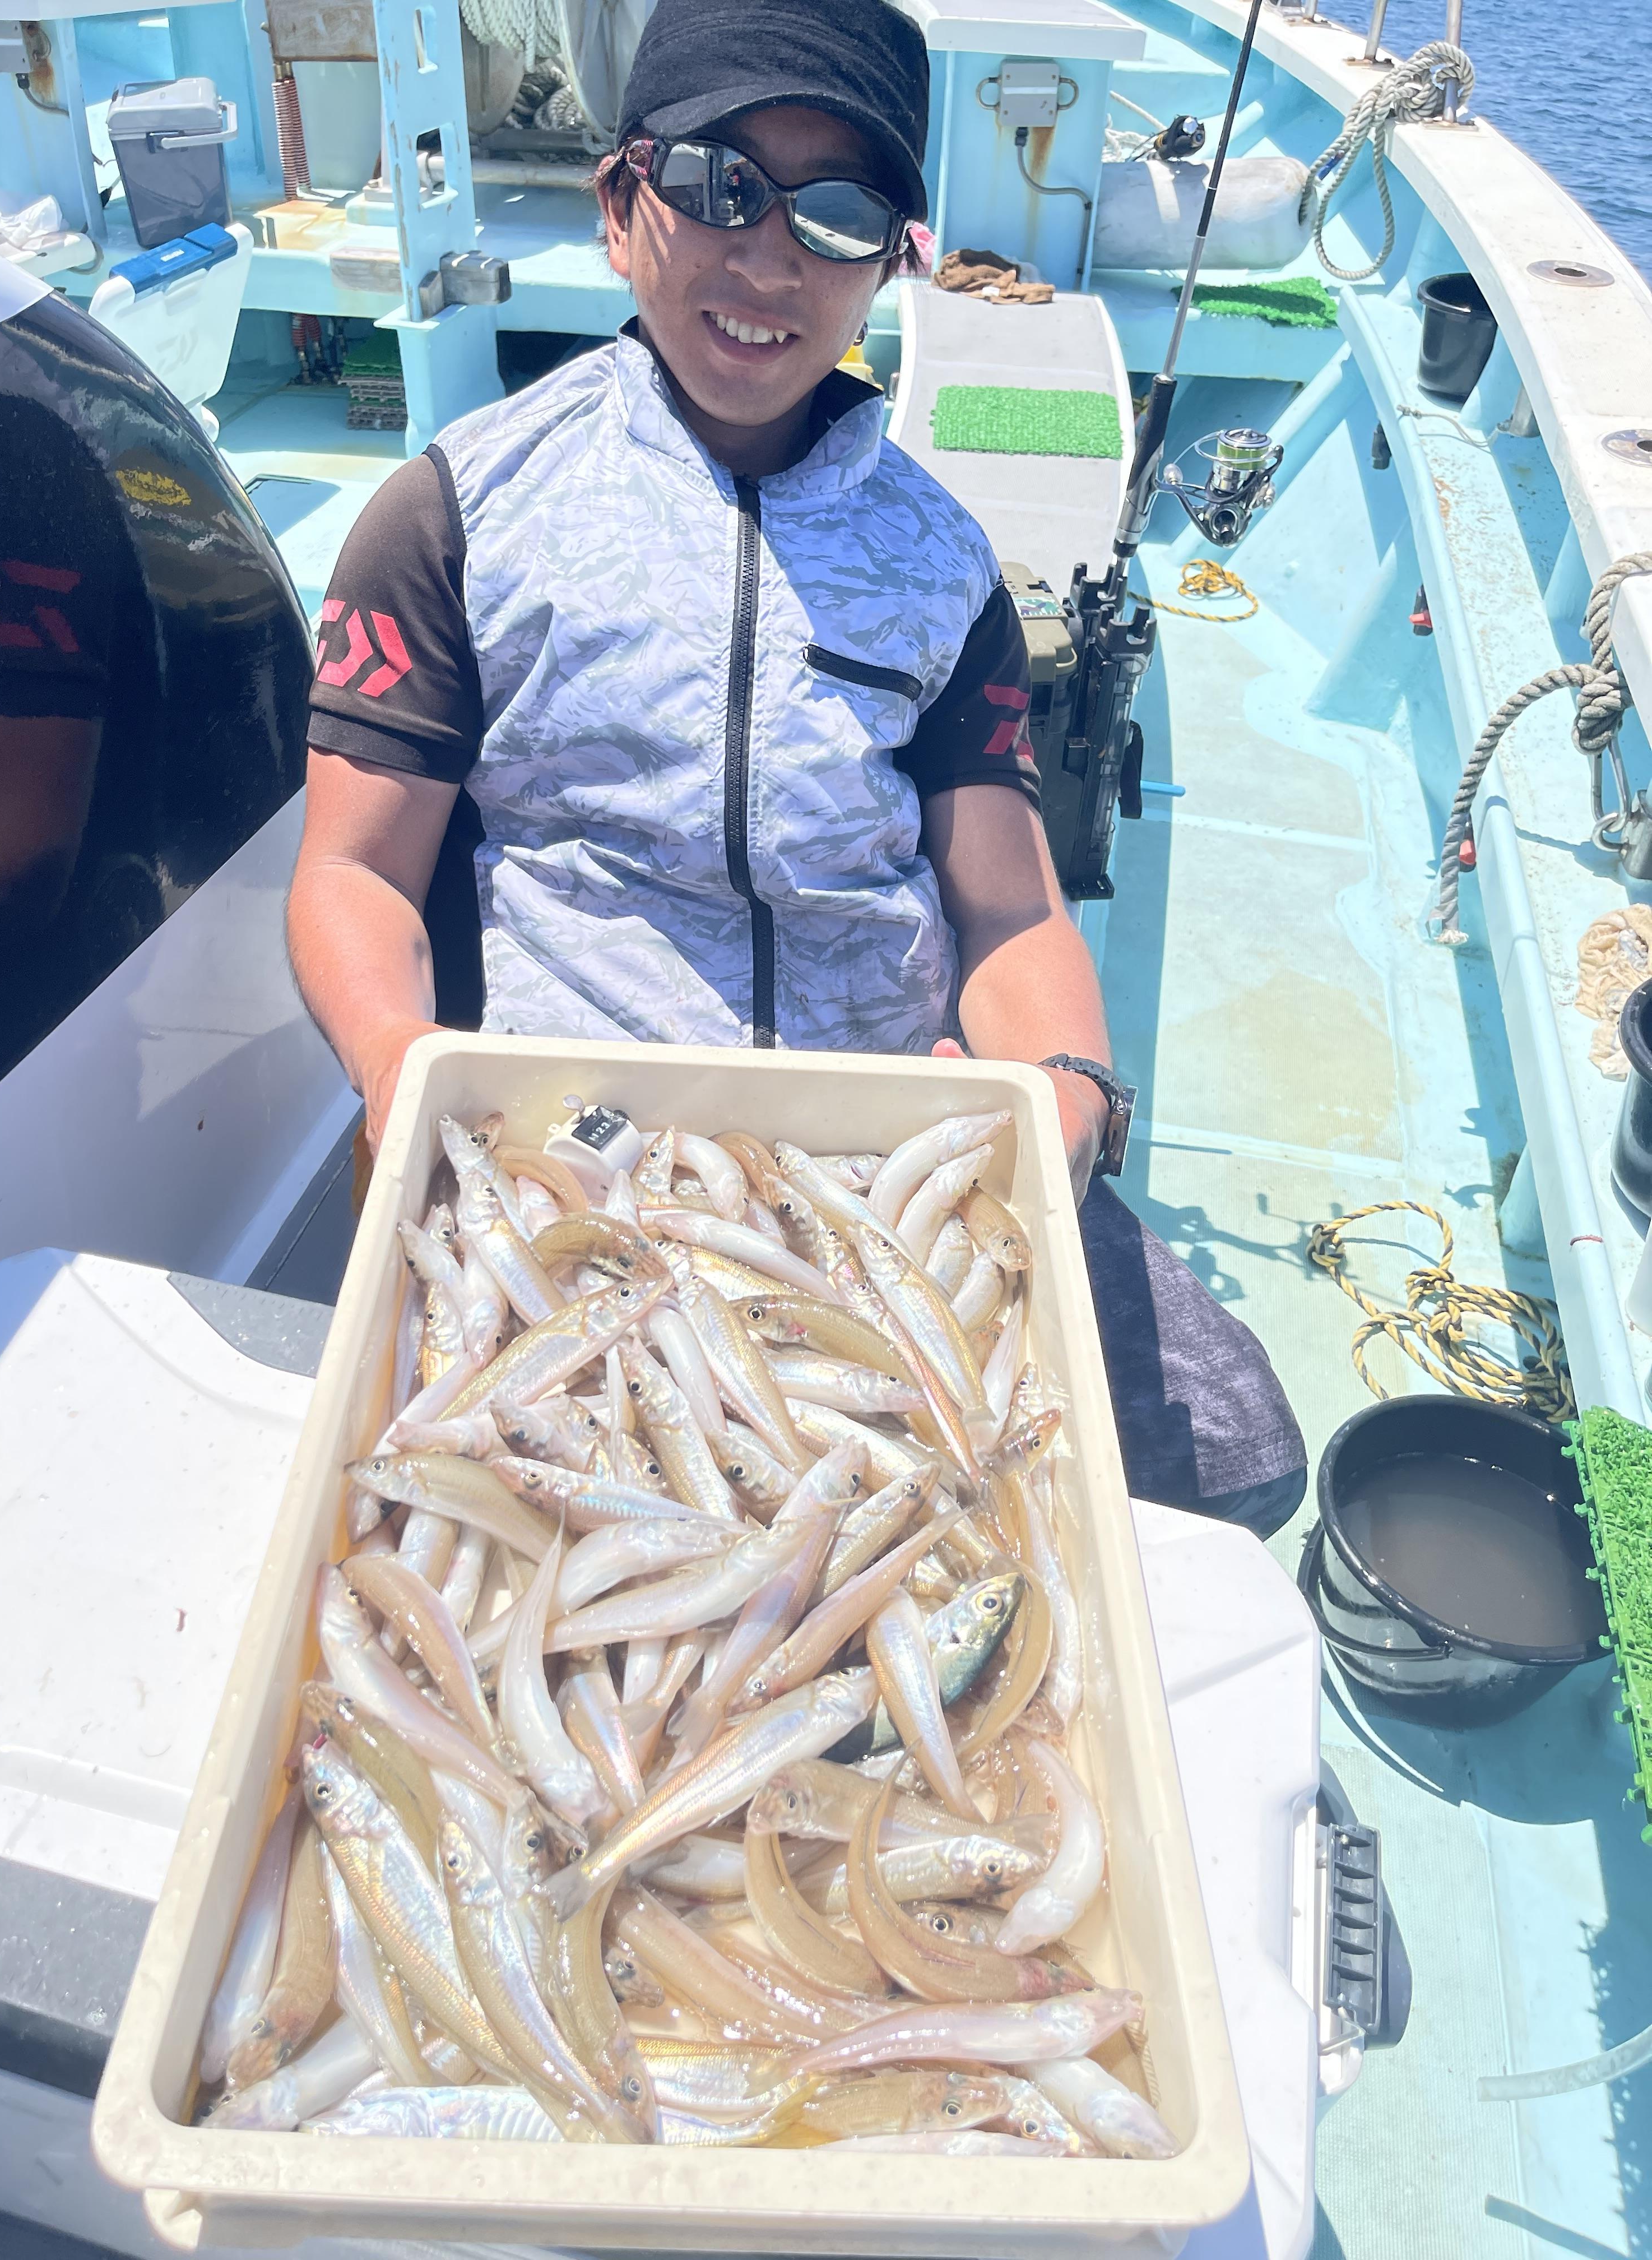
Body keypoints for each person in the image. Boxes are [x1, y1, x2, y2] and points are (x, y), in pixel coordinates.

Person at [286, 0, 1307, 1535]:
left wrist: (1068, 1102)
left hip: (890, 1161)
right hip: (582, 1163)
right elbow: (355, 874)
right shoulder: (452, 517)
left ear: (892, 261)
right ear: (623, 206)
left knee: (1231, 1463)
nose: (769, 261)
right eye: (717, 183)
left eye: (836, 214)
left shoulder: (946, 565)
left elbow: (1012, 915)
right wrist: (402, 1079)